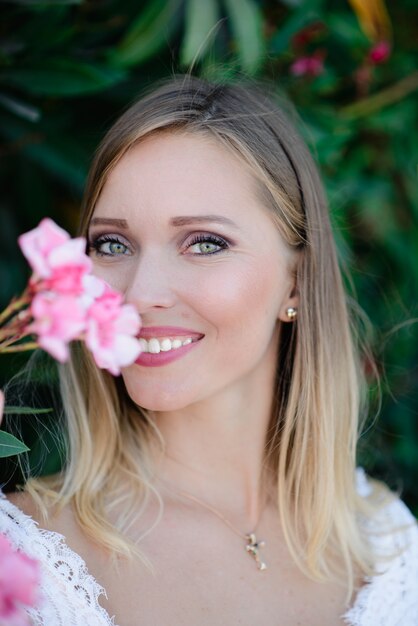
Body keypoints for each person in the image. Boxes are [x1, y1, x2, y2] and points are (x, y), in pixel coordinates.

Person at [1, 75, 417, 625]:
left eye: (204, 242)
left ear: (296, 282)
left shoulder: (391, 548)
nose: (141, 293)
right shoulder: (20, 562)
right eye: (112, 243)